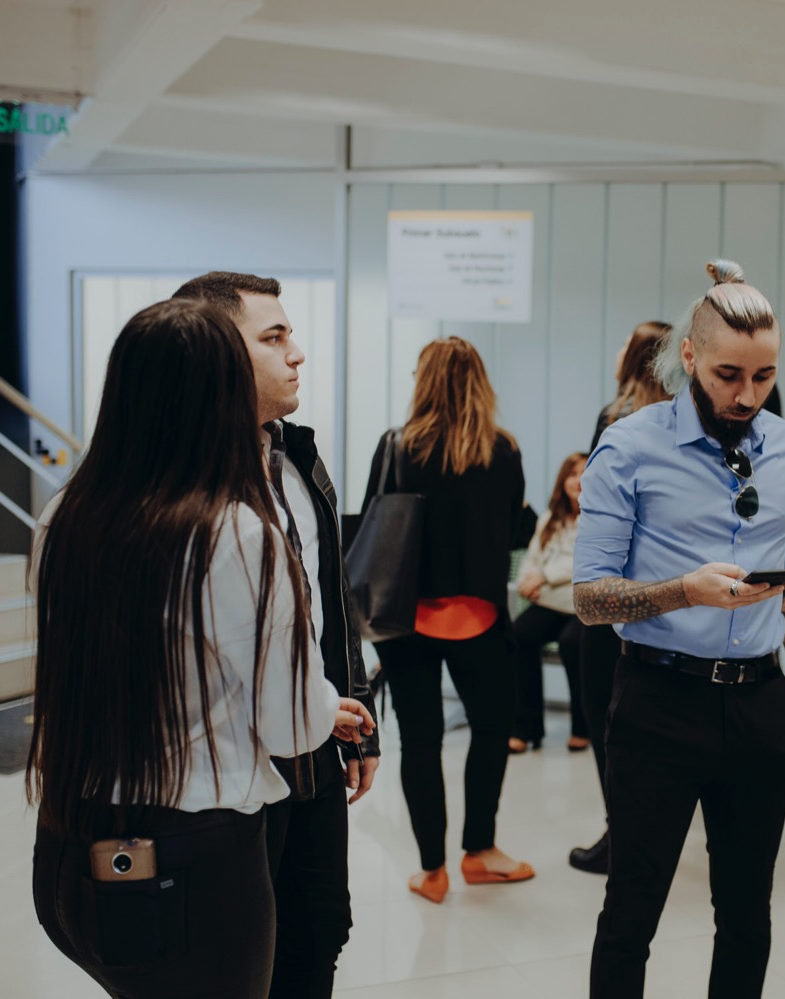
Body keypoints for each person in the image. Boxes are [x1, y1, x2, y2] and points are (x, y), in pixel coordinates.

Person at [28, 299, 374, 997]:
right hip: (189, 859)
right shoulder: (238, 532)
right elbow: (292, 726)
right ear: (224, 396)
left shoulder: (64, 514)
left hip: (68, 838)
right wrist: (318, 702)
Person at [575, 259, 785, 998]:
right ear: (688, 357)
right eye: (727, 374)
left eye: (764, 376)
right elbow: (588, 598)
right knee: (631, 912)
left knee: (746, 913)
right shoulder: (629, 445)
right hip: (660, 702)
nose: (746, 395)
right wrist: (684, 591)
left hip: (762, 703)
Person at [173, 271, 379, 997]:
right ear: (218, 352)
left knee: (318, 929)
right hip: (221, 771)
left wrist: (355, 712)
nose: (297, 353)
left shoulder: (299, 456)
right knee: (235, 958)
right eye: (274, 337)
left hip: (313, 741)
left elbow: (331, 599)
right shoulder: (178, 485)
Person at [363, 336, 533, 904]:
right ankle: (479, 852)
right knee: (490, 732)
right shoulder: (503, 451)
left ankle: (432, 871)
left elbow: (375, 526)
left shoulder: (396, 446)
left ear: (423, 382)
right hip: (479, 617)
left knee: (420, 742)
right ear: (480, 382)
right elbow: (514, 531)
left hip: (406, 620)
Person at [571, 320, 674, 875]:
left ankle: (622, 835)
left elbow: (596, 509)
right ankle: (650, 831)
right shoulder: (685, 423)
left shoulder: (615, 420)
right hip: (671, 596)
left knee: (605, 717)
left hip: (615, 592)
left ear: (635, 357)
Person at [509, 452, 590, 754]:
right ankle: (526, 728)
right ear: (562, 481)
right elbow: (533, 556)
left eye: (584, 472)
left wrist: (543, 577)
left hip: (578, 606)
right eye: (572, 473)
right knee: (519, 634)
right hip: (549, 602)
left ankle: (582, 727)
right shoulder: (548, 519)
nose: (578, 480)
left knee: (572, 643)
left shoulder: (595, 517)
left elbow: (581, 562)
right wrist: (526, 580)